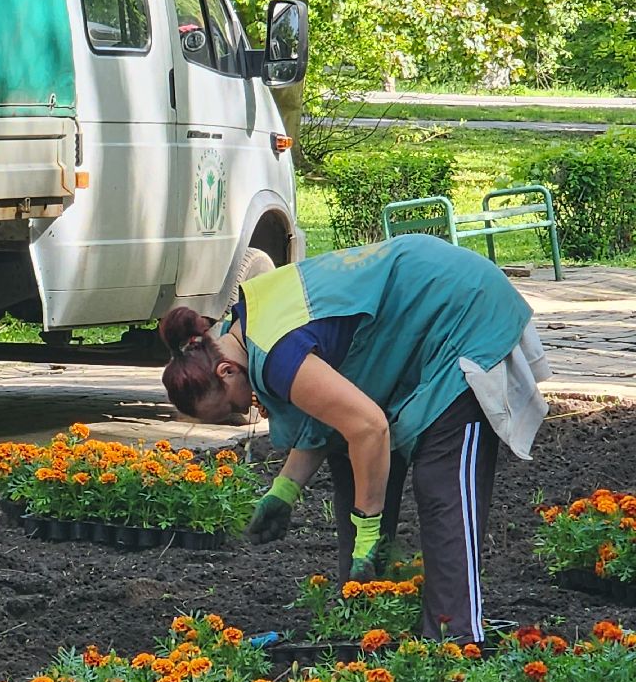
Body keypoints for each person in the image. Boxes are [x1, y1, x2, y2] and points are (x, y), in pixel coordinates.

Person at [159, 235, 550, 642]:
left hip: (463, 311)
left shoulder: (276, 352)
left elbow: (370, 427)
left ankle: (457, 640)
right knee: (350, 458)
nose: (241, 413)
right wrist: (285, 490)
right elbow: (328, 417)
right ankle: (370, 622)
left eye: (229, 408)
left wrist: (367, 530)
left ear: (226, 372)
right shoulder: (245, 332)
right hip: (416, 327)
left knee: (441, 480)